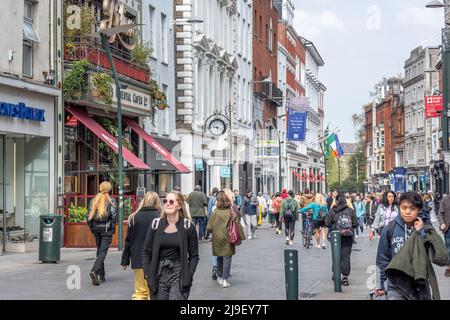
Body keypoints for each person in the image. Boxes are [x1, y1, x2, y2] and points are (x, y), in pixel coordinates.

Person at [375, 192, 448, 300]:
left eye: (412, 208)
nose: (408, 212)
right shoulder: (390, 229)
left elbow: (440, 257)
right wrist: (380, 285)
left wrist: (422, 232)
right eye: (404, 208)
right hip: (395, 286)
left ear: (418, 209)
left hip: (419, 286)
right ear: (399, 208)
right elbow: (382, 260)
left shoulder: (426, 228)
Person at [142, 191, 199, 300]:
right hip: (158, 273)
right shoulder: (156, 224)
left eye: (171, 201)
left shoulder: (187, 226)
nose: (167, 204)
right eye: (165, 201)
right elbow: (146, 252)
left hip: (179, 273)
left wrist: (188, 275)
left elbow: (194, 256)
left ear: (179, 206)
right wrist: (148, 274)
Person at [121, 192, 161, 300]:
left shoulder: (134, 217)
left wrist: (125, 260)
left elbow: (128, 241)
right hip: (156, 259)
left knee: (140, 292)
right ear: (157, 201)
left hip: (138, 258)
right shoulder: (162, 216)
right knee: (155, 291)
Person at [207, 191, 245, 289]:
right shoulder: (230, 211)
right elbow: (237, 223)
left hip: (217, 237)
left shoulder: (215, 212)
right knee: (227, 259)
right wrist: (241, 236)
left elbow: (209, 227)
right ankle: (225, 279)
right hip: (228, 237)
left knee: (219, 257)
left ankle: (219, 277)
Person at [86, 181, 117, 286]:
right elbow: (113, 216)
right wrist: (112, 229)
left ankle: (101, 275)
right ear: (109, 189)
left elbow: (88, 216)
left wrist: (92, 228)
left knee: (100, 251)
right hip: (106, 229)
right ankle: (94, 271)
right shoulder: (111, 200)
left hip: (96, 229)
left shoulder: (93, 200)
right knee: (102, 252)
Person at [326, 194, 358, 286]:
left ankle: (336, 274)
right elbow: (355, 224)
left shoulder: (333, 210)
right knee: (346, 256)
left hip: (335, 236)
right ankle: (345, 277)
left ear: (336, 201)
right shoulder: (350, 210)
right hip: (347, 237)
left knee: (336, 255)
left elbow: (327, 223)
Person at [438, 194, 450, 277]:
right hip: (448, 228)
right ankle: (448, 267)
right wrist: (442, 223)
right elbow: (440, 213)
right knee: (448, 249)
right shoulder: (445, 199)